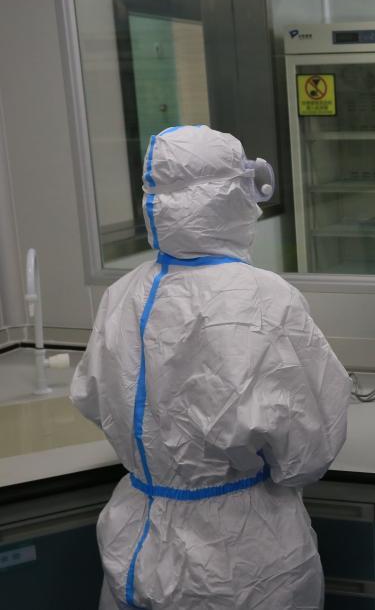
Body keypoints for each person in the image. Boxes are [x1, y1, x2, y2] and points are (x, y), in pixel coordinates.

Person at [71, 125, 351, 609]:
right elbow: (309, 453)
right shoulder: (263, 298)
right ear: (232, 197)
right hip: (241, 557)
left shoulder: (122, 295)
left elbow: (94, 400)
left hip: (138, 542)